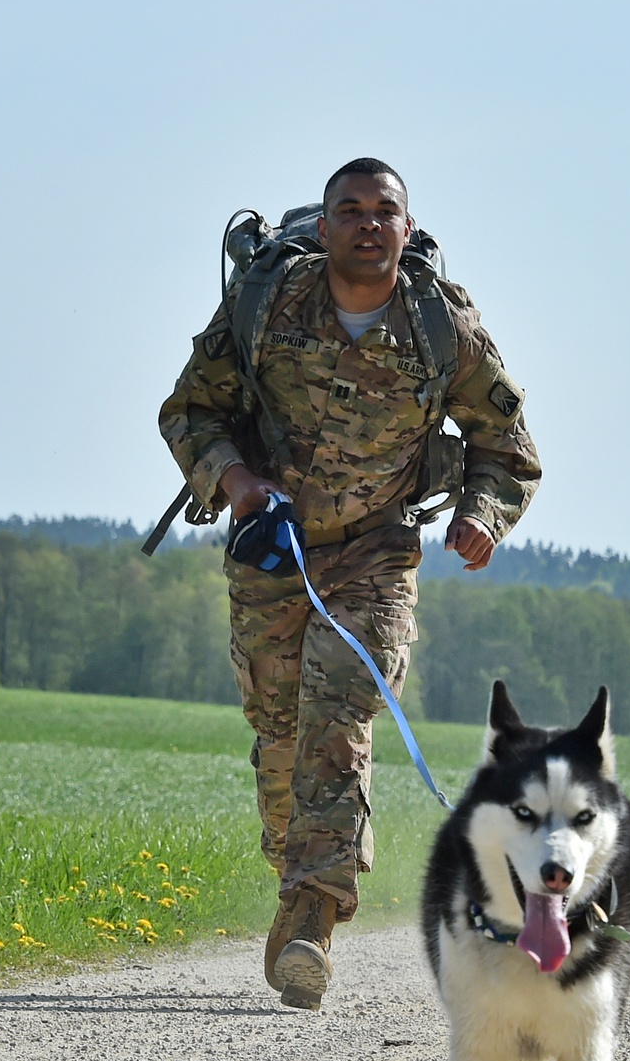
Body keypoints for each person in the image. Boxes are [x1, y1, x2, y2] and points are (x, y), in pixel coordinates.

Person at [159, 158, 541, 1011]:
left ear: (408, 232)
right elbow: (189, 410)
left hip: (376, 553)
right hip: (273, 549)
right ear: (325, 227)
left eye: (385, 212)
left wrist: (481, 512)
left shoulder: (442, 324)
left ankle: (312, 925)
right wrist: (235, 482)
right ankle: (296, 879)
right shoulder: (266, 305)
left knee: (338, 714)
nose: (369, 224)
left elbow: (508, 447)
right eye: (351, 210)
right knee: (281, 734)